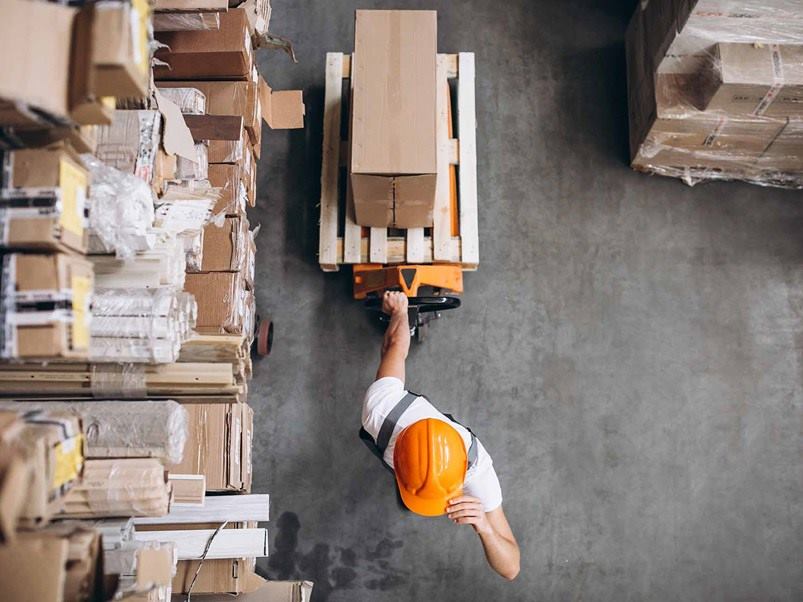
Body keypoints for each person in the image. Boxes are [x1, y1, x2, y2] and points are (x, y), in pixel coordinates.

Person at [359, 291, 520, 580]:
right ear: (395, 459)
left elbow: (511, 568)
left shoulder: (478, 473)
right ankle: (411, 488)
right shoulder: (381, 411)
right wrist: (400, 313)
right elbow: (395, 345)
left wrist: (484, 526)